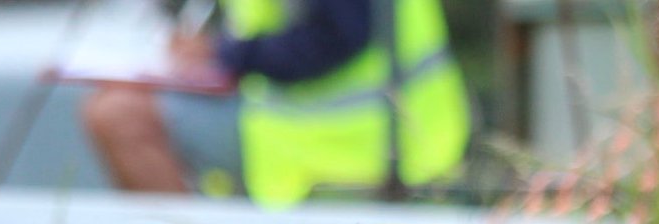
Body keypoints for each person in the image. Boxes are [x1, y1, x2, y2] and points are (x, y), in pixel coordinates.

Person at [82, 0, 469, 205]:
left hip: (348, 139)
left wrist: (224, 54)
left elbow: (335, 38)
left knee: (117, 115)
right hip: (314, 124)